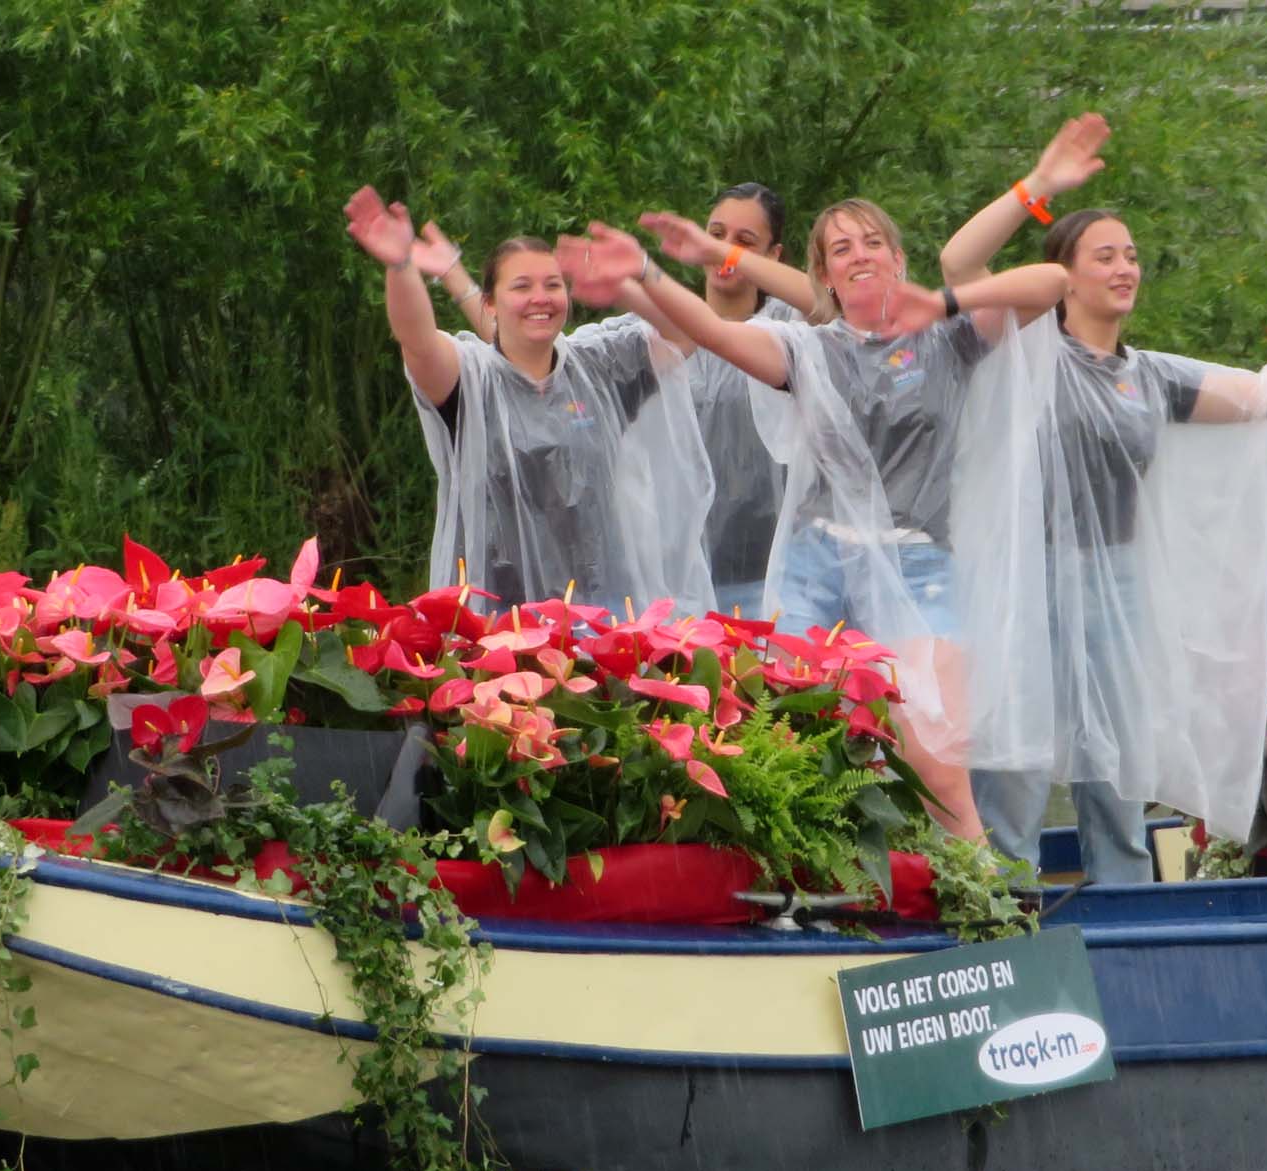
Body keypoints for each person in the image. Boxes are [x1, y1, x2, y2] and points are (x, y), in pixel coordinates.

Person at [934, 118, 1267, 876]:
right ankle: (1005, 918)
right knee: (1016, 773)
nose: (1125, 267)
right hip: (1024, 587)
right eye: (1104, 255)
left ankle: (1129, 921)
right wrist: (1037, 188)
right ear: (1060, 275)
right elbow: (958, 261)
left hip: (1118, 589)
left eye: (1131, 255)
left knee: (1121, 772)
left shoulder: (1153, 375)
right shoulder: (1021, 350)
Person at [561, 200, 1068, 839]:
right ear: (824, 275)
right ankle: (815, 909)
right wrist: (645, 274)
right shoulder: (808, 347)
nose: (859, 255)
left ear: (897, 258)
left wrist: (939, 302)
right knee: (791, 746)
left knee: (936, 763)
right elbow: (716, 333)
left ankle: (989, 914)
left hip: (916, 565)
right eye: (841, 248)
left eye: (872, 242)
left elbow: (1053, 285)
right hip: (816, 567)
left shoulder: (951, 337)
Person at [423, 183, 804, 614]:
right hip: (673, 570)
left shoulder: (784, 333)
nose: (724, 251)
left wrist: (645, 273)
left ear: (774, 255)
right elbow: (522, 361)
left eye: (744, 243)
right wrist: (457, 279)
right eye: (716, 236)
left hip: (767, 572)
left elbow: (823, 305)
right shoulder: (645, 334)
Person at [343, 186, 714, 616]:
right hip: (500, 618)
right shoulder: (470, 380)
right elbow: (418, 341)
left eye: (553, 285)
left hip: (604, 612)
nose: (541, 297)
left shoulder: (601, 367)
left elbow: (687, 334)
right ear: (489, 304)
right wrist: (400, 265)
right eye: (522, 286)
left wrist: (629, 282)